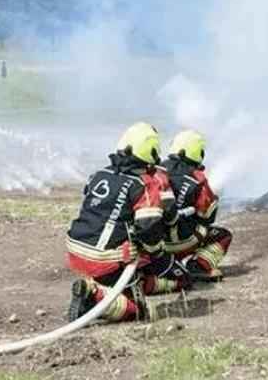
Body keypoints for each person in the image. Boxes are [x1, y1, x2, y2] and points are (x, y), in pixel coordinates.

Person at [64, 122, 190, 323]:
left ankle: (108, 286)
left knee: (138, 271)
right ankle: (93, 296)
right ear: (151, 152)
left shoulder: (98, 175)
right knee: (140, 311)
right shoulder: (142, 184)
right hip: (105, 258)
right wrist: (160, 254)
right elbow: (148, 229)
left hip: (75, 250)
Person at [163, 130, 231, 283]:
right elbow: (207, 217)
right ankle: (199, 267)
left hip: (156, 245)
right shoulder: (197, 178)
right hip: (180, 242)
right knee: (223, 235)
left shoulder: (156, 170)